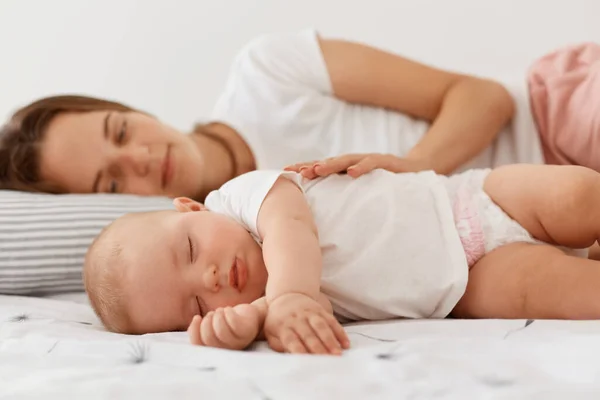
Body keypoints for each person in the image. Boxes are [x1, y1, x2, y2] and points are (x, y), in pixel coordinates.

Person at [84, 161, 600, 355]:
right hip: (466, 283)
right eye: (197, 304)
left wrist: (287, 297)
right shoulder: (274, 307)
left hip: (469, 199)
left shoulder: (243, 198)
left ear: (192, 207)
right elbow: (275, 312)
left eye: (191, 250)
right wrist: (236, 329)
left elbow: (291, 230)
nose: (213, 277)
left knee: (579, 197)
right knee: (564, 291)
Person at [0, 29, 521, 199]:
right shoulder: (233, 241)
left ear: (130, 108)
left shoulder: (267, 72)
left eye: (121, 130)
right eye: (110, 185)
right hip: (545, 219)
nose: (139, 156)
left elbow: (483, 97)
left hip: (548, 121)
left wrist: (416, 170)